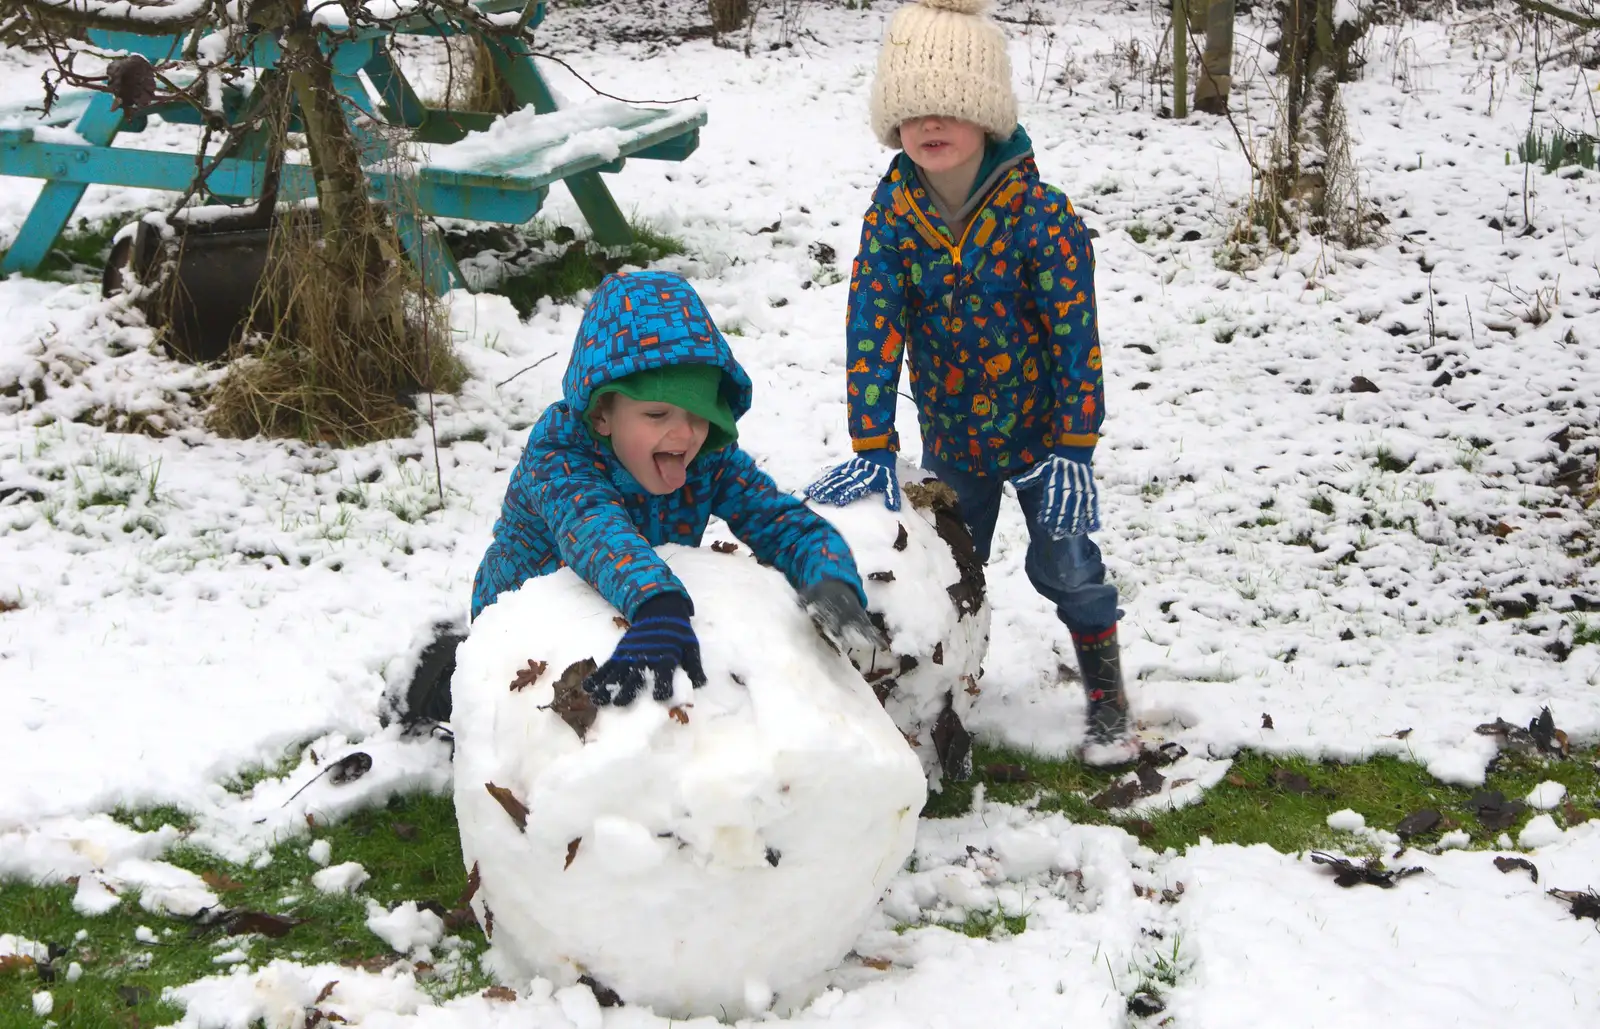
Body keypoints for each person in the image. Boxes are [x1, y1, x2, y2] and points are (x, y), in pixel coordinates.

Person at [805, 0, 1136, 765]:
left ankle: (1108, 692)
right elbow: (872, 325)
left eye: (950, 106)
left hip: (1045, 439)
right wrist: (873, 440)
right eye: (912, 109)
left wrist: (1076, 446)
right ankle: (947, 700)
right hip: (955, 440)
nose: (931, 123)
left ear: (986, 115)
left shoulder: (1040, 216)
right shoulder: (893, 217)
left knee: (1069, 566)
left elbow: (1074, 336)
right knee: (952, 575)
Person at [468, 269, 880, 710]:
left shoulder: (707, 460)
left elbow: (779, 520)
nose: (684, 435)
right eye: (657, 414)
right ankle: (439, 684)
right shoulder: (559, 456)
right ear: (602, 414)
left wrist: (828, 575)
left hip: (623, 611)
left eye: (698, 414)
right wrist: (657, 601)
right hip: (522, 620)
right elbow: (594, 528)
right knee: (516, 718)